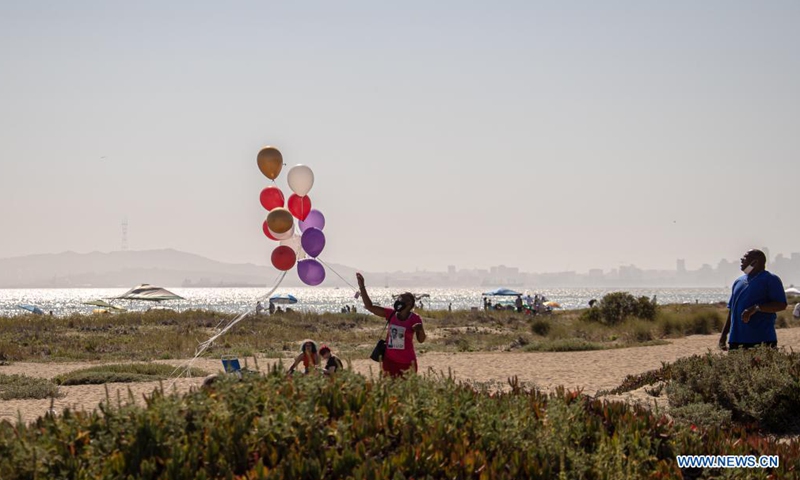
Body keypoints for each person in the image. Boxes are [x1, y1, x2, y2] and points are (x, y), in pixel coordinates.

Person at [357, 273, 426, 377]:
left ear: (410, 304)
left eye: (404, 300)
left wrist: (420, 330)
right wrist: (362, 285)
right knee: (388, 386)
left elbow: (421, 340)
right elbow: (369, 307)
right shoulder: (391, 314)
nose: (400, 301)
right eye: (400, 299)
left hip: (407, 362)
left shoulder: (415, 318)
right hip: (389, 360)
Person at [719, 249, 787, 350]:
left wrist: (756, 308)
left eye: (745, 258)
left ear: (754, 262)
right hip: (736, 340)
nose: (741, 260)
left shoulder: (770, 279)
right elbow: (732, 310)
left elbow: (781, 305)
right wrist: (724, 335)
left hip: (762, 340)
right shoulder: (738, 281)